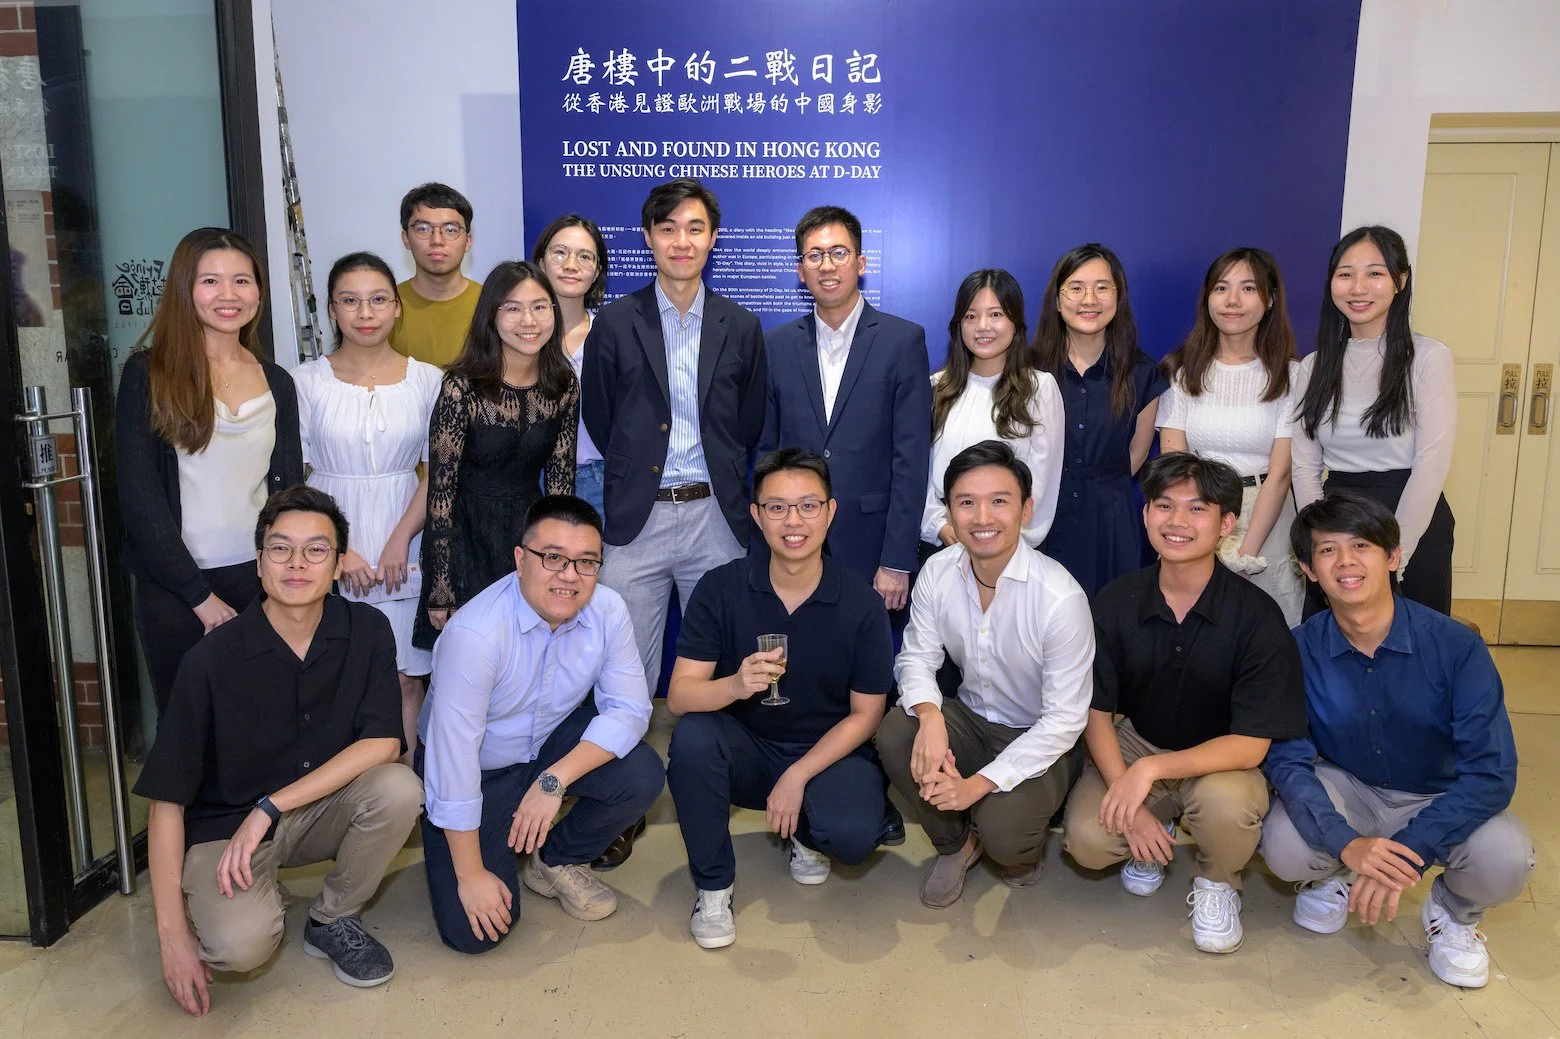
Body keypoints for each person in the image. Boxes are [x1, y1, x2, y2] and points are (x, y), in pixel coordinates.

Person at [134, 486, 423, 1016]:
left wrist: (271, 806)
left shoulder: (367, 631)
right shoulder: (210, 660)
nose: (297, 563)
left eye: (316, 550)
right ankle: (246, 897)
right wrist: (172, 937)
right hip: (226, 829)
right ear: (259, 563)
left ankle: (333, 918)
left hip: (312, 813)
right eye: (280, 548)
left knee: (399, 788)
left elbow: (384, 743)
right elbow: (166, 802)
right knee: (239, 947)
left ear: (337, 565)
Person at [1260, 492, 1534, 989]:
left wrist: (1407, 850)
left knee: (1506, 859)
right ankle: (1334, 876)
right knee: (1284, 845)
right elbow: (1287, 760)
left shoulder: (1457, 647)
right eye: (1327, 550)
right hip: (1351, 788)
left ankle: (1453, 911)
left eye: (1361, 545)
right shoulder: (1296, 650)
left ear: (1393, 557)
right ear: (1308, 569)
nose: (1346, 561)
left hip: (1438, 794)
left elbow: (1491, 773)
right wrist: (1346, 844)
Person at [1061, 452, 1307, 954]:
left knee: (1228, 809)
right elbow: (1096, 712)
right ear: (1146, 513)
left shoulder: (1257, 616)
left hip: (1220, 755)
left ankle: (1218, 882)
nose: (1177, 521)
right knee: (1088, 839)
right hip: (1139, 739)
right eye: (1164, 505)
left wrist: (1150, 771)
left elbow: (1252, 745)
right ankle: (1153, 832)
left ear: (1226, 524)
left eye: (1197, 509)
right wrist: (1130, 792)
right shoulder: (1116, 599)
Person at [665, 449, 894, 949]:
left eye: (808, 506)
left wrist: (798, 775)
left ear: (830, 513)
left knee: (853, 836)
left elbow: (867, 714)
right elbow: (679, 696)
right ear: (756, 515)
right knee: (693, 738)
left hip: (828, 753)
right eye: (777, 507)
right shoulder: (721, 588)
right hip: (748, 749)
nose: (793, 521)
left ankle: (809, 835)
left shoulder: (861, 604)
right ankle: (713, 886)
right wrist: (734, 685)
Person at [416, 495, 664, 954]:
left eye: (586, 562)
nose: (569, 576)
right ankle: (477, 847)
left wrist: (554, 780)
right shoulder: (476, 635)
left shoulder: (608, 609)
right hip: (477, 769)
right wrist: (471, 875)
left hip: (548, 746)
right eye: (553, 557)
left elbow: (630, 709)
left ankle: (555, 859)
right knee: (476, 934)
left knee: (641, 772)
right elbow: (453, 761)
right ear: (520, 559)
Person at [878, 441, 1093, 908]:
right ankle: (956, 845)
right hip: (972, 721)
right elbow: (915, 658)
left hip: (1041, 737)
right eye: (966, 502)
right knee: (898, 731)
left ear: (1025, 510)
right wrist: (931, 718)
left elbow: (1063, 721)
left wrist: (977, 785)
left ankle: (1014, 846)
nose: (982, 518)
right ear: (949, 513)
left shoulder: (1060, 598)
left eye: (999, 501)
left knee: (1005, 834)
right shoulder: (938, 572)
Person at [580, 177, 766, 695]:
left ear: (713, 238)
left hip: (716, 517)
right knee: (625, 673)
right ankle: (625, 749)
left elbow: (748, 423)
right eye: (667, 229)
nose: (681, 242)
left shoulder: (742, 326)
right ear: (647, 237)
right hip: (637, 519)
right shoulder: (615, 322)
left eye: (694, 228)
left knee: (728, 668)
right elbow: (601, 415)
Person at [115, 226, 303, 714]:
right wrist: (199, 597)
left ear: (258, 291)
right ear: (185, 289)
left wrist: (285, 579)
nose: (228, 295)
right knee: (190, 729)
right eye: (210, 281)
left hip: (260, 580)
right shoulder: (148, 374)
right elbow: (140, 499)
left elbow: (288, 494)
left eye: (242, 281)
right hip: (176, 589)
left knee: (264, 722)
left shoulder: (277, 382)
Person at [295, 251, 443, 760]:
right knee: (336, 678)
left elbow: (438, 473)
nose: (366, 313)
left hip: (407, 535)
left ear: (397, 307)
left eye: (378, 300)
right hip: (327, 544)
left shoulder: (428, 380)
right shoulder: (305, 382)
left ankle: (406, 784)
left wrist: (400, 539)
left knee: (404, 678)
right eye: (350, 301)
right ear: (332, 310)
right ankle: (342, 792)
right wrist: (339, 550)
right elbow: (294, 478)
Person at [759, 205, 930, 612]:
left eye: (839, 252)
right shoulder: (776, 346)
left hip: (871, 548)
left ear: (861, 263)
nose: (827, 266)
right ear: (800, 271)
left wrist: (896, 559)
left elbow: (911, 458)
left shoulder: (902, 341)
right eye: (814, 255)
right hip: (793, 544)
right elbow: (766, 452)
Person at [1291, 225, 1456, 615]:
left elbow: (1431, 466)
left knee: (1408, 643)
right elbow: (1304, 465)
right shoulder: (1313, 366)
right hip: (1336, 516)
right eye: (1345, 274)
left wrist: (1396, 553)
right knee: (1330, 642)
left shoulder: (1428, 358)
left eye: (1375, 273)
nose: (1358, 287)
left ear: (1401, 281)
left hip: (1409, 517)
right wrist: (1320, 542)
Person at [413, 260, 577, 651]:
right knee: (469, 662)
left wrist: (559, 562)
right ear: (492, 315)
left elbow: (561, 489)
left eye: (540, 306)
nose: (529, 320)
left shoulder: (562, 384)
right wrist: (441, 584)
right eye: (513, 308)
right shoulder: (461, 388)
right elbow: (441, 494)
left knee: (530, 662)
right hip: (465, 541)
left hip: (527, 541)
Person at [1158, 248, 1304, 625]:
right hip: (1196, 511)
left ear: (1269, 300)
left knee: (1269, 629)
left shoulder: (1292, 376)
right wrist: (1197, 527)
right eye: (1221, 288)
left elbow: (1281, 473)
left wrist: (1244, 556)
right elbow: (1174, 462)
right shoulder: (1181, 372)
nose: (1233, 300)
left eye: (1248, 288)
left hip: (1266, 516)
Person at [1034, 244, 1168, 598]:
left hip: (1112, 524)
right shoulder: (1029, 369)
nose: (1089, 299)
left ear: (1118, 296)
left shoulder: (1142, 373)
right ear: (1057, 300)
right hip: (1042, 520)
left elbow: (1137, 454)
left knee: (1111, 618)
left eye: (1102, 287)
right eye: (1076, 288)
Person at [925, 269, 1063, 554]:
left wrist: (1005, 538)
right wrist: (938, 525)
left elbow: (1042, 483)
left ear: (1015, 322)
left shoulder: (1040, 389)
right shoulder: (936, 388)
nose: (982, 326)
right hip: (945, 543)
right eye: (971, 316)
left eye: (996, 314)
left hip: (1010, 549)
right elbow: (918, 471)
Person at [533, 213, 610, 516]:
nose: (570, 265)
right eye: (560, 253)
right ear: (541, 262)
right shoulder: (520, 334)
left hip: (601, 482)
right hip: (532, 482)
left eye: (584, 256)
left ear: (597, 271)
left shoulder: (612, 335)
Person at [392, 182, 481, 368]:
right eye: (423, 229)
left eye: (450, 230)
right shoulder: (385, 306)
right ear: (406, 238)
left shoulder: (491, 302)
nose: (437, 240)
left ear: (468, 241)